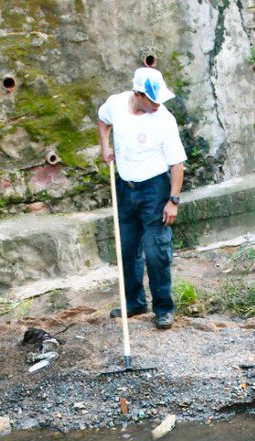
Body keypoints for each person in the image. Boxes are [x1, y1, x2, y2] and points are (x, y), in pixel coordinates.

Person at [97, 67, 187, 330]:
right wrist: (105, 146)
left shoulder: (164, 119)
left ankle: (163, 309)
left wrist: (173, 200)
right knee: (127, 249)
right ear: (138, 94)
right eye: (153, 99)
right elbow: (103, 120)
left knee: (156, 252)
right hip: (125, 188)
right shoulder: (115, 104)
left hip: (155, 191)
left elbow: (178, 164)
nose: (158, 103)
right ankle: (134, 303)